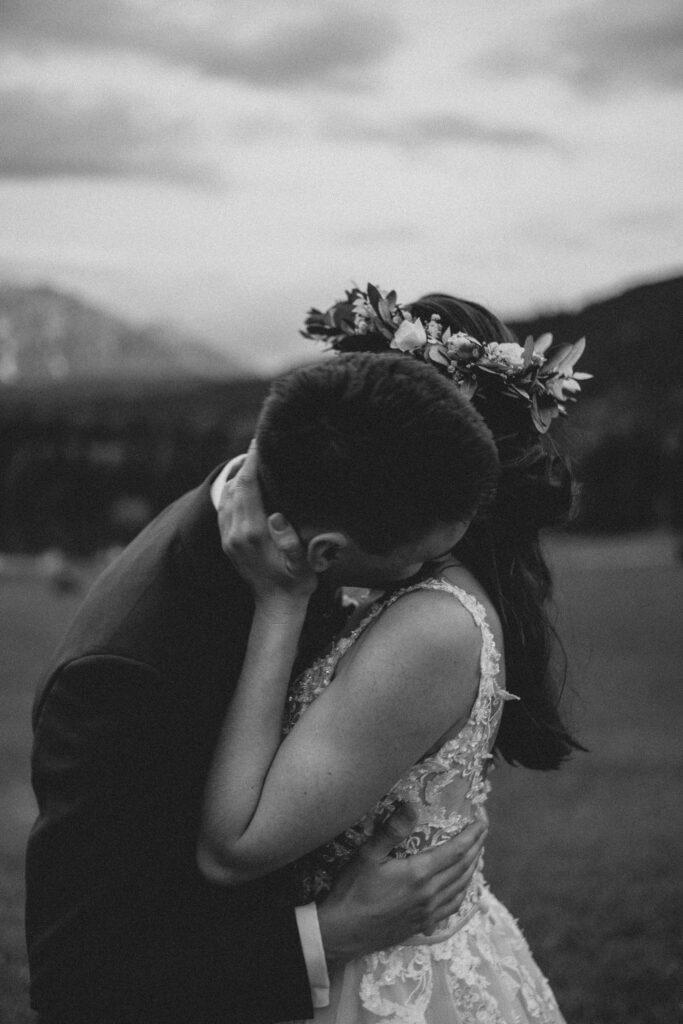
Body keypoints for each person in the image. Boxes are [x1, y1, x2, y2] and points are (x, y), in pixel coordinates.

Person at [25, 352, 496, 1024]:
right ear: (327, 553)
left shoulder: (290, 502)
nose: (426, 576)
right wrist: (327, 936)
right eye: (416, 560)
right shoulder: (123, 677)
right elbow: (80, 980)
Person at [198, 287, 590, 1022]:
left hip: (389, 983)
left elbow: (234, 847)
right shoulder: (397, 581)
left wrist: (279, 603)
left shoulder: (431, 627)